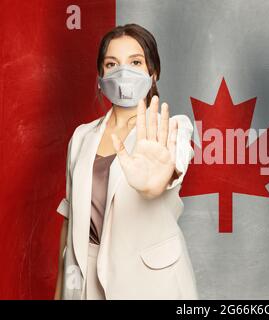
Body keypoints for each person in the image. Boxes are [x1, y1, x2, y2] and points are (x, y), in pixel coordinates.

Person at [54, 23, 198, 300]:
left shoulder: (172, 128)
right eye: (112, 63)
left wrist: (155, 182)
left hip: (151, 283)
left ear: (152, 73)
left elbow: (170, 172)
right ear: (100, 76)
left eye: (135, 62)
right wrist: (61, 290)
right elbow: (70, 219)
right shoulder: (81, 137)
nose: (123, 72)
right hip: (86, 279)